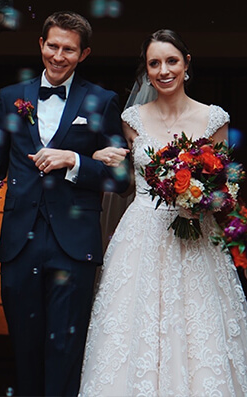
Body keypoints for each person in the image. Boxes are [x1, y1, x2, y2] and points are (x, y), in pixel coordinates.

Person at [0, 11, 129, 397]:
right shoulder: (11, 98)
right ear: (41, 45)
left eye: (68, 49)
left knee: (65, 350)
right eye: (52, 46)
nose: (58, 56)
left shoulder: (102, 101)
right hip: (19, 244)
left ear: (83, 54)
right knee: (25, 350)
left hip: (73, 247)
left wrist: (75, 161)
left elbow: (120, 180)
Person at [79, 29, 247, 396]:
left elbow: (224, 185)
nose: (163, 70)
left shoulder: (214, 118)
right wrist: (96, 156)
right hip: (142, 234)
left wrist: (202, 197)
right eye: (154, 63)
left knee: (198, 332)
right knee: (134, 330)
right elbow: (119, 176)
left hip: (196, 235)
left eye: (172, 60)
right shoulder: (131, 119)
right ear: (147, 70)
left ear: (187, 64)